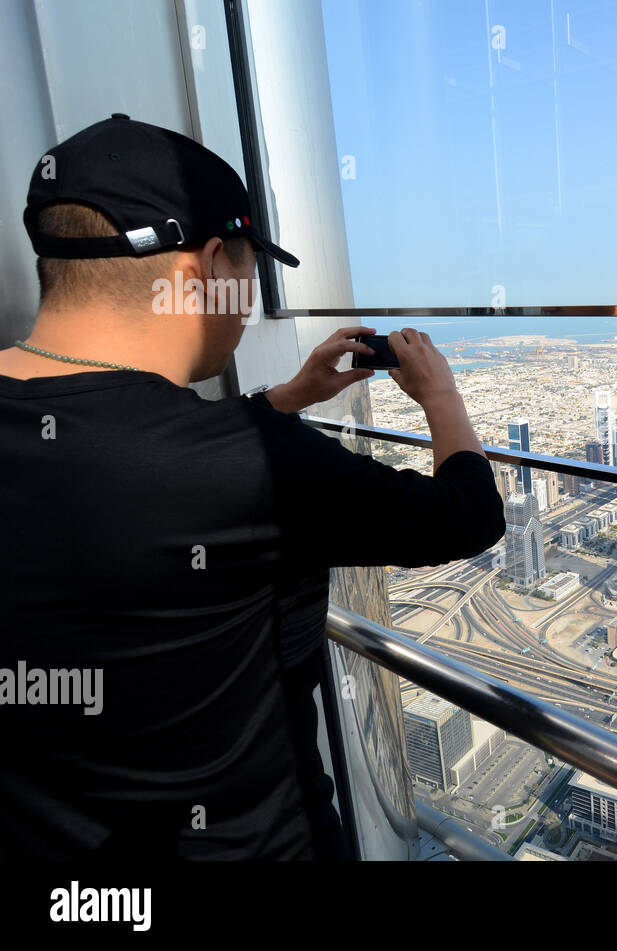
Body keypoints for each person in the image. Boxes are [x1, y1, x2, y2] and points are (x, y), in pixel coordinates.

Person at [0, 114, 506, 859]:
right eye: (249, 269)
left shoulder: (231, 456)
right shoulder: (258, 465)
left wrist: (283, 399)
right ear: (204, 268)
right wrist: (441, 398)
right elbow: (466, 516)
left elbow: (126, 452)